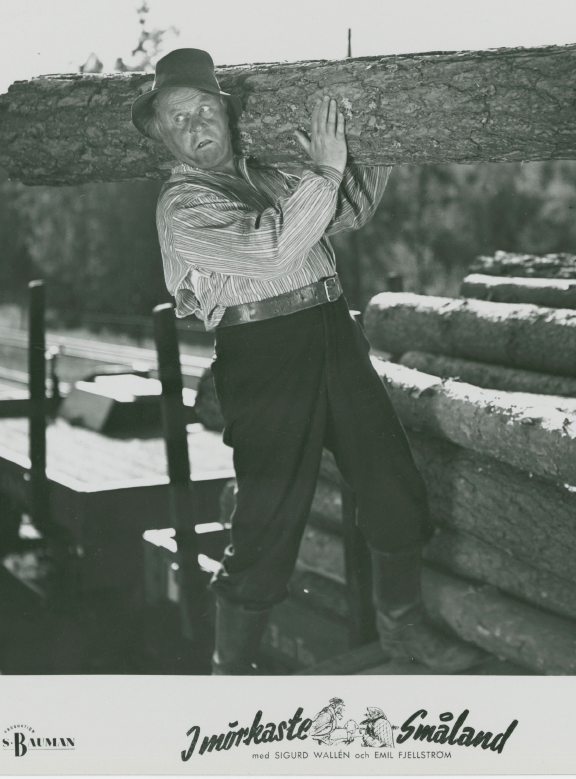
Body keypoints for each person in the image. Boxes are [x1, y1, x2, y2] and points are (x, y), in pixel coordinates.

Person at [131, 48, 482, 674]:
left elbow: (345, 210)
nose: (194, 126)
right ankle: (229, 674)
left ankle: (403, 628)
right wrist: (322, 172)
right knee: (267, 527)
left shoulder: (260, 173)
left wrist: (371, 142)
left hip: (331, 332)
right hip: (263, 359)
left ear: (225, 112)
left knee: (394, 485)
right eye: (176, 119)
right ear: (160, 134)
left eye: (202, 109)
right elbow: (273, 248)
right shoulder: (180, 208)